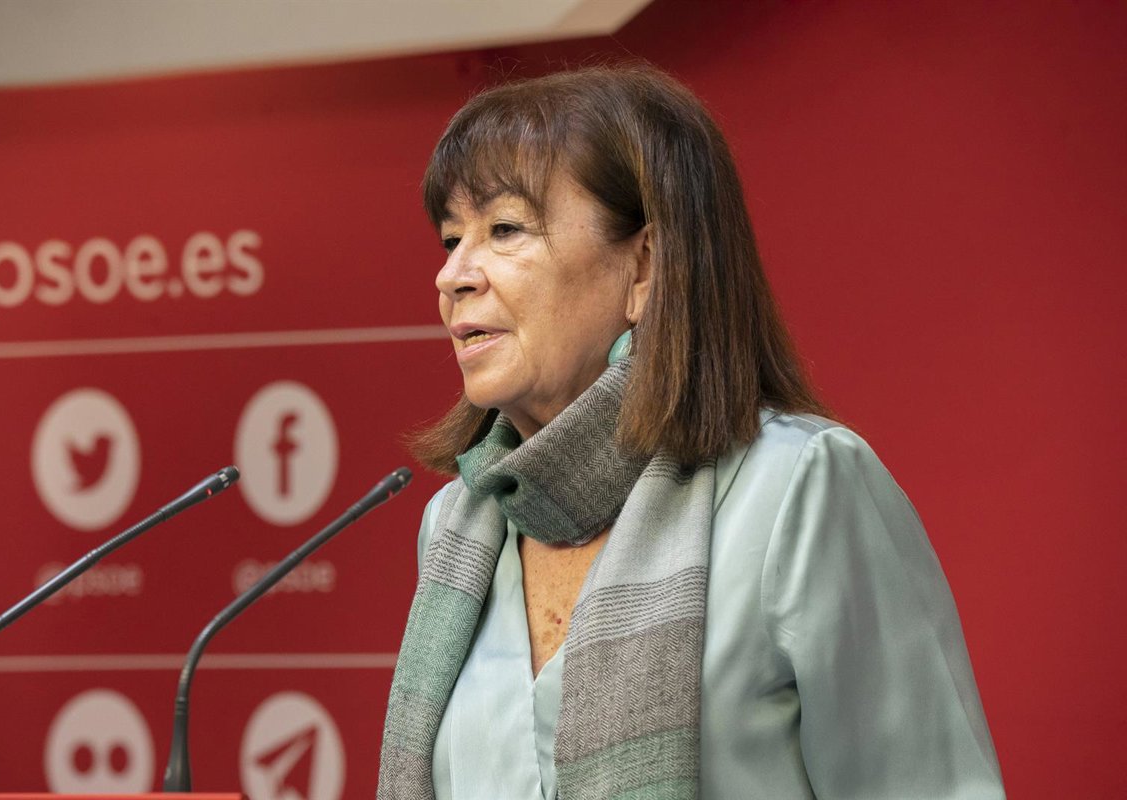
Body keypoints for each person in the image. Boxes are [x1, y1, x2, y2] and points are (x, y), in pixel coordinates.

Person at [378, 64, 1004, 800]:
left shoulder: (799, 487)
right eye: (451, 238)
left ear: (645, 266)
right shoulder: (456, 524)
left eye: (504, 229)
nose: (453, 275)